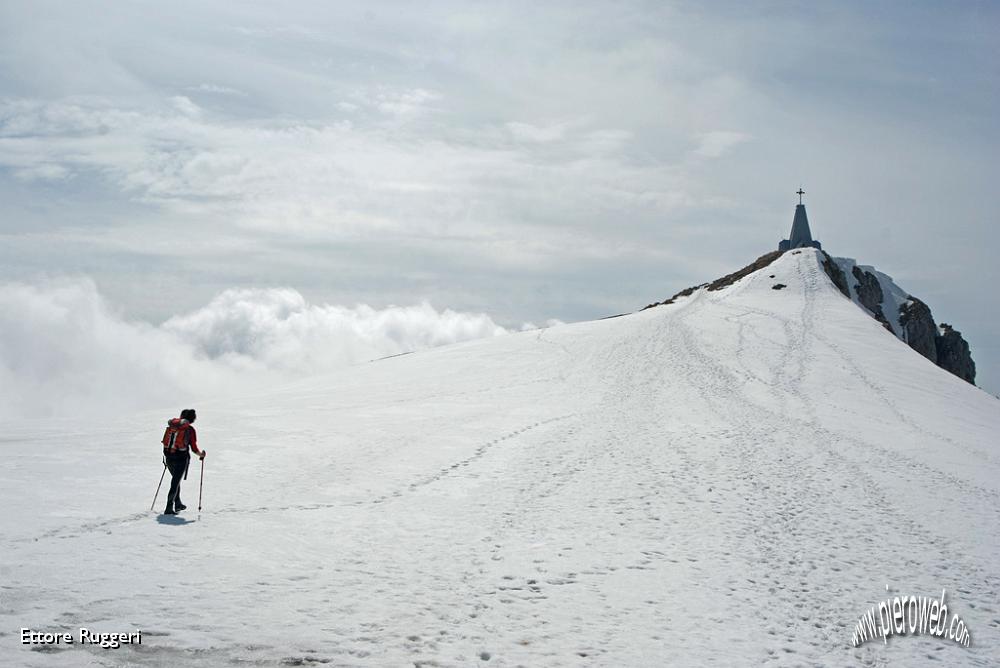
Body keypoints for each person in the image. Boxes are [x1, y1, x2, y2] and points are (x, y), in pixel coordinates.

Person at [160, 408, 206, 515]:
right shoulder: (189, 430)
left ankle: (178, 503)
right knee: (175, 482)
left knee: (176, 480)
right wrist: (201, 455)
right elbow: (194, 448)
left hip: (169, 456)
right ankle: (169, 507)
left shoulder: (173, 427)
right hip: (181, 458)